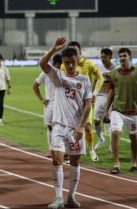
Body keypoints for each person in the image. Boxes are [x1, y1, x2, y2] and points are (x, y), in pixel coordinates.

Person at [40, 37, 92, 209]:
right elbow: (42, 63)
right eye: (67, 62)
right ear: (62, 62)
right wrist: (54, 48)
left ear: (77, 61)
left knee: (75, 162)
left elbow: (88, 104)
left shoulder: (84, 80)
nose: (70, 65)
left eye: (72, 62)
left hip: (76, 128)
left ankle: (71, 196)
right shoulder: (58, 76)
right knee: (57, 160)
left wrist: (80, 126)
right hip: (59, 126)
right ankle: (58, 198)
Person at [60, 41, 103, 162]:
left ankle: (90, 148)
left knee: (88, 128)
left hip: (85, 102)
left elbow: (100, 77)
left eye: (75, 49)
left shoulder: (88, 63)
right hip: (71, 103)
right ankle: (68, 152)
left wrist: (94, 93)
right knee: (69, 128)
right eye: (71, 49)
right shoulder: (64, 66)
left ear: (80, 50)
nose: (73, 51)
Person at [103, 48, 137, 174]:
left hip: (133, 111)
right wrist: (106, 110)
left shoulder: (136, 72)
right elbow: (111, 92)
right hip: (117, 110)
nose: (122, 58)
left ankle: (134, 162)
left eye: (125, 56)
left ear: (129, 57)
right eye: (120, 56)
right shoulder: (114, 74)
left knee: (134, 139)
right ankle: (116, 164)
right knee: (115, 134)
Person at [33, 54, 62, 158]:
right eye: (58, 64)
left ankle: (60, 148)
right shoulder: (45, 73)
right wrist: (41, 99)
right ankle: (50, 148)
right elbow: (35, 85)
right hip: (49, 104)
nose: (59, 67)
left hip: (61, 105)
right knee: (50, 127)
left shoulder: (62, 73)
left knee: (60, 127)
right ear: (54, 63)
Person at [94, 48, 119, 150]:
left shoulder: (116, 68)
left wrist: (109, 76)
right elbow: (95, 80)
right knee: (96, 121)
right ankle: (101, 139)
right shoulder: (98, 67)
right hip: (100, 97)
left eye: (105, 57)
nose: (102, 59)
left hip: (111, 97)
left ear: (110, 57)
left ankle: (111, 144)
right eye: (101, 57)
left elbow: (118, 82)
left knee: (110, 122)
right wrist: (92, 94)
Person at [0, 54, 11, 125]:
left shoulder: (5, 68)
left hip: (2, 89)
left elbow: (8, 79)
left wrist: (9, 88)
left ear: (1, 60)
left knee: (1, 103)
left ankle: (0, 119)